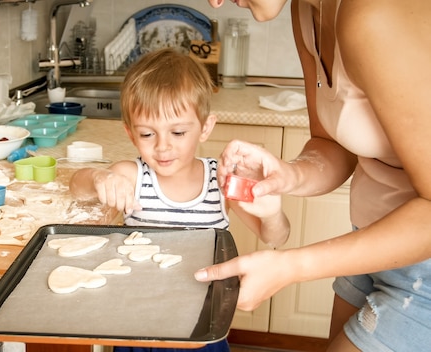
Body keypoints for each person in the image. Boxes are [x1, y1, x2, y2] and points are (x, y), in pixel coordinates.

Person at [195, 1, 431, 351]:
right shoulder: (306, 11)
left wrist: (290, 266)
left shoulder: (376, 12)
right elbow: (329, 143)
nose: (213, 2)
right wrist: (287, 174)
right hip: (368, 243)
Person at [69, 48, 290, 352]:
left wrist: (273, 213)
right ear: (131, 134)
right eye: (147, 135)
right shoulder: (133, 176)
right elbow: (76, 187)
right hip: (137, 327)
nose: (163, 147)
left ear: (205, 128)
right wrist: (97, 177)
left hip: (201, 329)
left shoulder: (221, 179)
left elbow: (275, 236)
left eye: (177, 132)